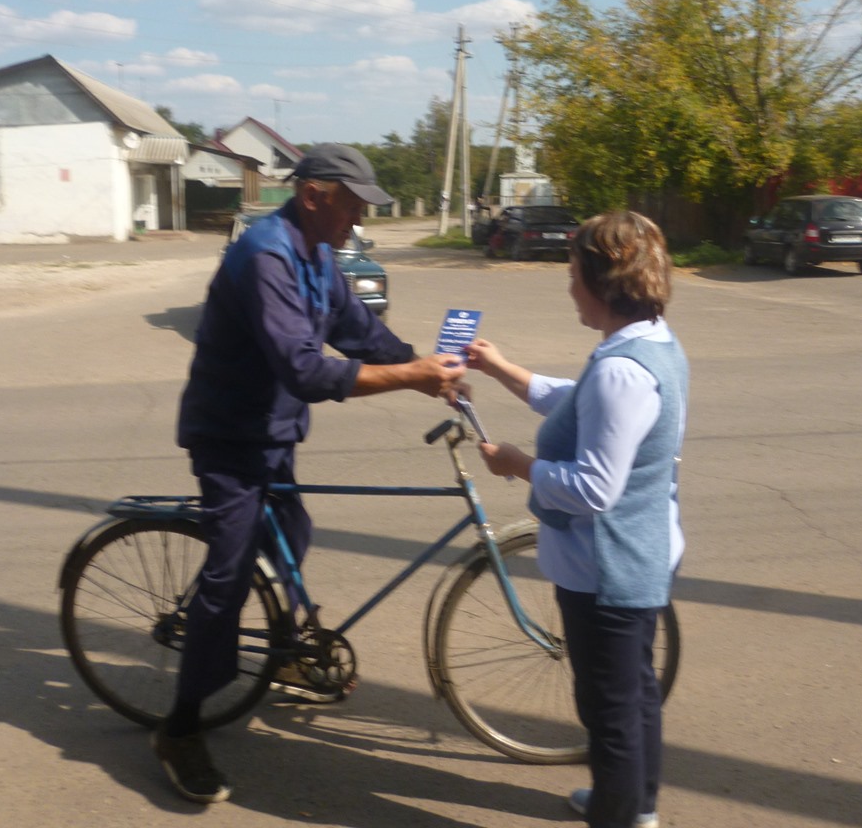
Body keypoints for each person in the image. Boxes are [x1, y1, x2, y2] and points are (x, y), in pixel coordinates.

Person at [154, 143, 466, 805]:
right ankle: (180, 729)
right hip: (230, 438)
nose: (358, 219)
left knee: (292, 533)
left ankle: (286, 643)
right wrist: (408, 377)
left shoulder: (319, 250)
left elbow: (354, 328)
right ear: (314, 194)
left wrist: (420, 367)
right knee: (228, 577)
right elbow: (304, 368)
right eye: (351, 204)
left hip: (274, 432)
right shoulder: (264, 255)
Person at [465, 210, 688, 828]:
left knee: (610, 712)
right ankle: (636, 806)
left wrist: (518, 465)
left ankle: (620, 814)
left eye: (573, 274)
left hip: (607, 570)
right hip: (637, 555)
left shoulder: (621, 369)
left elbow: (594, 489)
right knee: (635, 698)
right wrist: (501, 367)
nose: (568, 289)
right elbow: (579, 402)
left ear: (603, 281)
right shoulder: (649, 344)